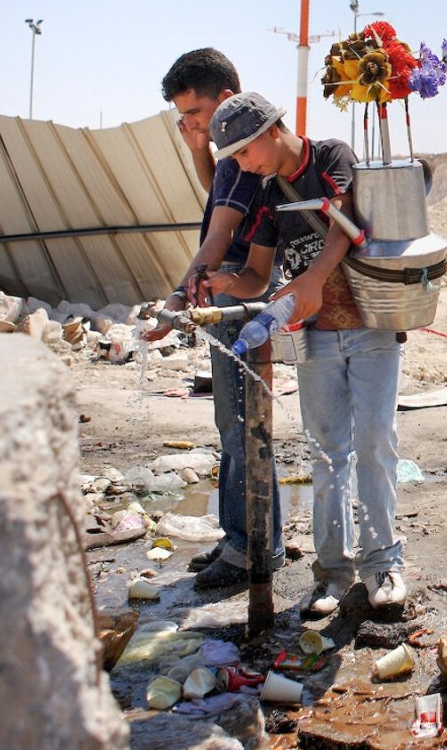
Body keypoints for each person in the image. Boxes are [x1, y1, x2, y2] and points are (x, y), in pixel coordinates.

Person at [203, 91, 408, 618]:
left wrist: (312, 281)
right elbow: (258, 273)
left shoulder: (332, 156)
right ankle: (332, 573)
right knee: (327, 453)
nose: (242, 165)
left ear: (272, 131)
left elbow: (344, 224)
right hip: (314, 336)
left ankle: (383, 564)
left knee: (375, 442)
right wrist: (228, 282)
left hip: (369, 325)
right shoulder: (268, 194)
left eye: (244, 152)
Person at [149, 50, 284, 589]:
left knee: (243, 423)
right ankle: (243, 537)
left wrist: (177, 300)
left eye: (196, 113)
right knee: (235, 422)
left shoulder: (242, 153)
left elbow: (220, 235)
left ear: (226, 99)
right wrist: (197, 148)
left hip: (238, 289)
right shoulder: (231, 153)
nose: (191, 123)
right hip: (228, 286)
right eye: (183, 117)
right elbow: (218, 201)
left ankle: (252, 547)